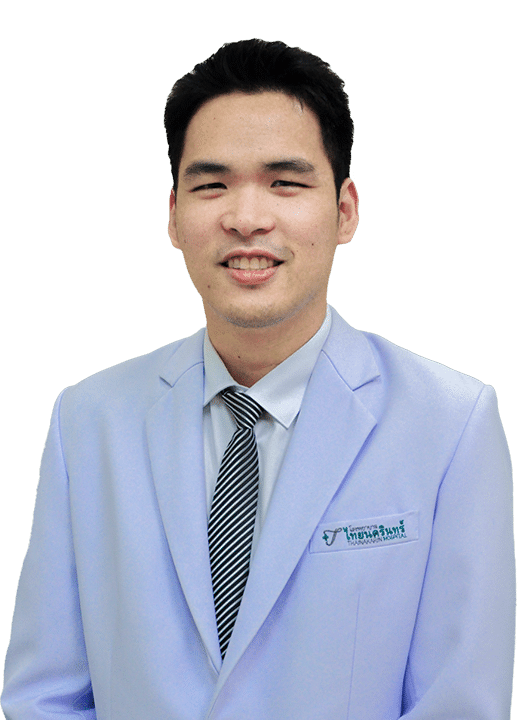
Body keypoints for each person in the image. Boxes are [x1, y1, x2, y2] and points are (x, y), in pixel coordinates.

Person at [1, 39, 515, 720]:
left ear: (345, 211)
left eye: (285, 182)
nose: (246, 218)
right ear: (174, 216)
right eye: (211, 185)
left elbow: (460, 703)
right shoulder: (88, 420)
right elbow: (45, 698)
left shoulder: (451, 423)